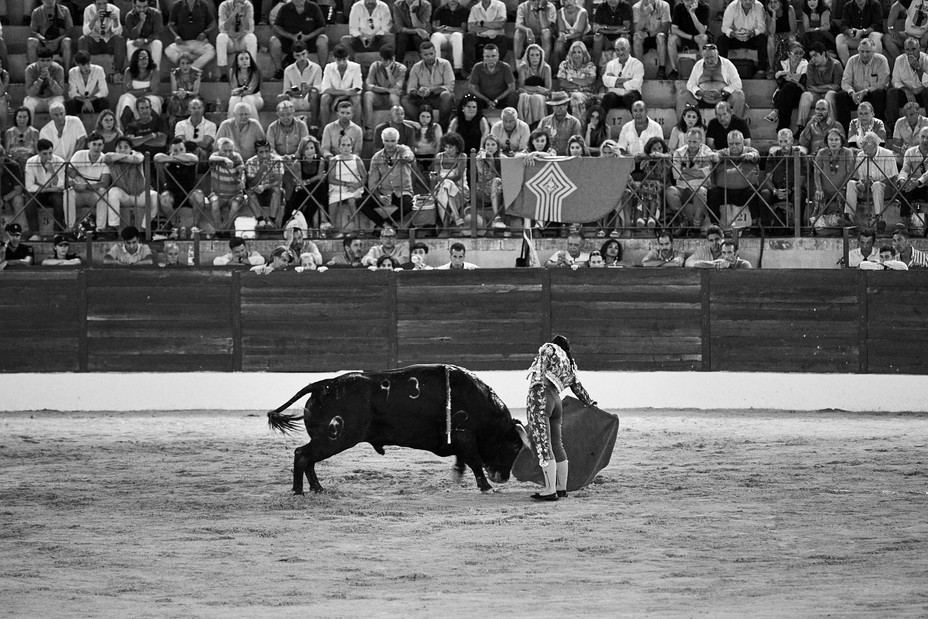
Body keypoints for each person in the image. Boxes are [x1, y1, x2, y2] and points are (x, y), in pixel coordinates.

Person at [524, 334, 596, 501]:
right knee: (557, 444)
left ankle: (550, 489)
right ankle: (561, 488)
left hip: (541, 397)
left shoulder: (550, 348)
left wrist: (538, 380)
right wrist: (589, 401)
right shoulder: (569, 364)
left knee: (543, 444)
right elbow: (578, 388)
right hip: (556, 402)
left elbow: (543, 356)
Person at [708, 130, 762, 229]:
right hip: (725, 192)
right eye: (731, 144)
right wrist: (714, 157)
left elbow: (756, 155)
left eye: (737, 143)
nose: (734, 146)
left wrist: (752, 156)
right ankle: (714, 225)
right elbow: (716, 155)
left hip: (745, 192)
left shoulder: (750, 150)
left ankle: (755, 224)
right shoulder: (723, 152)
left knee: (753, 192)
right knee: (712, 192)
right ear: (727, 143)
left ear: (743, 142)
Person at [104, 135, 159, 230]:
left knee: (154, 196)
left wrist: (119, 157)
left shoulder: (138, 154)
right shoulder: (110, 155)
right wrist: (126, 156)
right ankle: (113, 227)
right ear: (115, 148)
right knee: (113, 192)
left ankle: (144, 228)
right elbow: (106, 158)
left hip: (140, 194)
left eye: (126, 147)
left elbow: (137, 159)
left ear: (131, 149)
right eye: (119, 147)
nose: (122, 149)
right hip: (124, 195)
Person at [834, 37, 890, 129]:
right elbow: (845, 82)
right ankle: (844, 131)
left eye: (868, 52)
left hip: (872, 94)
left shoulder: (881, 60)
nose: (864, 54)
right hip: (856, 95)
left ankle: (878, 129)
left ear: (873, 51)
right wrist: (852, 93)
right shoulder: (852, 60)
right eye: (862, 51)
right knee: (840, 95)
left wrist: (865, 91)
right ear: (858, 51)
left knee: (879, 93)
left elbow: (883, 83)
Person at [667, 127, 716, 230]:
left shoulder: (707, 151)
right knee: (670, 191)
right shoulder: (678, 152)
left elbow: (706, 173)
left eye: (695, 142)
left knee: (701, 191)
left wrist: (685, 170)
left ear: (701, 141)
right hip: (682, 188)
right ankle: (682, 221)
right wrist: (697, 173)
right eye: (689, 141)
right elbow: (676, 175)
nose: (692, 145)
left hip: (699, 188)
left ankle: (697, 222)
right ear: (686, 140)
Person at [679, 43, 746, 118]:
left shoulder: (727, 64)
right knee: (683, 95)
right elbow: (690, 84)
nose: (709, 61)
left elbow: (738, 84)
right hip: (702, 99)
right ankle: (681, 128)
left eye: (712, 57)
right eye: (706, 58)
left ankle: (736, 126)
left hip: (723, 99)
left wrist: (722, 93)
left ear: (717, 54)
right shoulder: (698, 65)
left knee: (739, 94)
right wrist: (700, 92)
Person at [846, 131, 899, 222]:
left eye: (866, 144)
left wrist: (873, 183)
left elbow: (892, 178)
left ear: (874, 145)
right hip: (867, 188)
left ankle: (879, 219)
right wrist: (861, 183)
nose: (862, 146)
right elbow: (859, 177)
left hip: (885, 188)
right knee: (851, 184)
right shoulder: (860, 155)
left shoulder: (887, 154)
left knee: (877, 185)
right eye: (862, 143)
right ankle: (849, 218)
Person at [369, 127, 416, 228]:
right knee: (360, 202)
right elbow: (372, 183)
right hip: (385, 192)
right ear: (382, 141)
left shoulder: (403, 149)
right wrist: (379, 197)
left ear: (397, 141)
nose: (390, 144)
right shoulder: (376, 157)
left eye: (392, 141)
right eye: (387, 141)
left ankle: (385, 223)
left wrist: (406, 157)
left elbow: (410, 155)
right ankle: (385, 224)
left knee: (409, 204)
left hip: (402, 191)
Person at [270, 0, 329, 79]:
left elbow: (322, 27)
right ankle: (279, 71)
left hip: (310, 39)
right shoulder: (284, 8)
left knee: (323, 39)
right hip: (290, 40)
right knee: (274, 41)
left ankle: (322, 70)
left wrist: (308, 36)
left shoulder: (314, 7)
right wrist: (291, 36)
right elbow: (276, 27)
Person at [404, 41, 455, 129]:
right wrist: (418, 92)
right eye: (426, 55)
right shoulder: (416, 67)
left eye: (431, 53)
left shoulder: (445, 64)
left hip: (438, 98)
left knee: (446, 95)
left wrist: (431, 90)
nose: (429, 57)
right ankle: (420, 125)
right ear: (421, 55)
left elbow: (450, 86)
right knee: (405, 99)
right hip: (422, 98)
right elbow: (410, 89)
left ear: (435, 52)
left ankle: (442, 127)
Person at [363, 46, 407, 140]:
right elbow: (368, 86)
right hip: (378, 96)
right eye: (384, 60)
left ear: (394, 57)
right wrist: (386, 89)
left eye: (390, 60)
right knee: (368, 95)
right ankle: (369, 128)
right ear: (381, 58)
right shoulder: (375, 65)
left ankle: (397, 127)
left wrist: (389, 71)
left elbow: (396, 88)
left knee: (393, 95)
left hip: (392, 97)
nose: (387, 63)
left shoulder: (401, 68)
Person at [206, 136, 247, 236]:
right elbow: (211, 158)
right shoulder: (216, 156)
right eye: (225, 151)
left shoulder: (236, 156)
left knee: (235, 204)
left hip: (234, 194)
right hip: (217, 194)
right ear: (219, 149)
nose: (228, 153)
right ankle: (218, 230)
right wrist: (224, 159)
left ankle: (226, 231)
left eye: (230, 150)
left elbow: (242, 172)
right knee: (214, 203)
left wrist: (242, 181)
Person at [812, 128, 855, 222]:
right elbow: (817, 172)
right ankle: (814, 225)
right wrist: (819, 188)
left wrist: (842, 188)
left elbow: (850, 173)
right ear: (827, 141)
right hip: (824, 189)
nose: (833, 142)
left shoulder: (847, 152)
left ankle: (845, 225)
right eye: (831, 140)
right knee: (818, 196)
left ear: (841, 141)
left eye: (836, 140)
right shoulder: (821, 152)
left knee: (843, 196)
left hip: (842, 189)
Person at [797, 42, 842, 132]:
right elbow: (809, 86)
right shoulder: (811, 65)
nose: (813, 59)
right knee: (806, 95)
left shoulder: (836, 65)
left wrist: (818, 88)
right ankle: (801, 127)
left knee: (830, 94)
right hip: (816, 95)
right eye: (811, 56)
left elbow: (837, 86)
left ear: (823, 54)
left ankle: (832, 127)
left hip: (830, 96)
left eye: (815, 56)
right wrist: (828, 86)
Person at [24, 138, 66, 231]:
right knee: (29, 199)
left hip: (52, 194)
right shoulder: (31, 162)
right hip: (38, 193)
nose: (48, 157)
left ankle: (57, 232)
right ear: (38, 153)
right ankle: (34, 233)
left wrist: (52, 171)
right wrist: (49, 189)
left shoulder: (59, 161)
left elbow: (61, 186)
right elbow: (29, 186)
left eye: (50, 153)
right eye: (45, 154)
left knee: (59, 200)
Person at [718, 0, 769, 78]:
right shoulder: (732, 6)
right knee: (722, 39)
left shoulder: (759, 6)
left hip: (752, 37)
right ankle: (722, 69)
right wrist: (734, 34)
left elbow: (762, 27)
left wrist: (751, 33)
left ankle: (761, 70)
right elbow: (724, 27)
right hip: (736, 37)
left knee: (762, 38)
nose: (748, 2)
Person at [886, 37, 928, 131]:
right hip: (906, 94)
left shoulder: (926, 60)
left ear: (919, 48)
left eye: (913, 49)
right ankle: (892, 128)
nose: (910, 52)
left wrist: (917, 67)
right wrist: (906, 90)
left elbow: (927, 82)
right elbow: (895, 81)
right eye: (907, 50)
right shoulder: (899, 60)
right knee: (891, 92)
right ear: (904, 49)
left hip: (921, 93)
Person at [285, 135, 327, 227]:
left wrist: (310, 181)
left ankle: (310, 218)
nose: (309, 151)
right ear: (302, 151)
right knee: (314, 188)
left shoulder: (320, 161)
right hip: (302, 191)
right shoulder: (298, 163)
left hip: (316, 191)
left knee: (318, 188)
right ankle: (309, 220)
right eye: (306, 149)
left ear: (315, 149)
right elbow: (300, 183)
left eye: (311, 148)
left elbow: (321, 181)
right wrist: (315, 178)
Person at [79, 0, 126, 82]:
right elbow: (85, 32)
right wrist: (93, 20)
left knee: (120, 39)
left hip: (109, 42)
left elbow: (118, 32)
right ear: (94, 3)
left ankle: (117, 72)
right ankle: (84, 70)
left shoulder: (115, 10)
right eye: (99, 4)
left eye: (104, 4)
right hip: (94, 42)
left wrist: (115, 21)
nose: (102, 7)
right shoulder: (88, 10)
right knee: (82, 40)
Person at [765, 43, 808, 132]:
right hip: (786, 95)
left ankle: (777, 111)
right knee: (788, 89)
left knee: (788, 87)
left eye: (801, 53)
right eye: (795, 53)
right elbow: (779, 81)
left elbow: (803, 81)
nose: (798, 56)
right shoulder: (781, 63)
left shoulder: (806, 64)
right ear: (788, 54)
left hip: (799, 95)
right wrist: (794, 78)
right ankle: (783, 126)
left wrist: (786, 75)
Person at [328, 133, 366, 232]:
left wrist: (356, 185)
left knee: (352, 200)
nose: (346, 148)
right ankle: (333, 228)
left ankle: (357, 228)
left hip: (354, 187)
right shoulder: (334, 160)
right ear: (339, 147)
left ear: (352, 147)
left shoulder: (356, 159)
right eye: (343, 145)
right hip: (338, 186)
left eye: (348, 145)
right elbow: (331, 178)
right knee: (333, 202)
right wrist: (346, 184)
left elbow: (365, 176)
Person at [165, 0, 217, 72]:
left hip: (200, 43)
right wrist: (176, 36)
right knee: (168, 50)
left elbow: (212, 23)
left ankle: (191, 69)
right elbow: (170, 24)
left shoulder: (204, 5)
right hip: (183, 43)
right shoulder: (177, 5)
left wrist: (205, 33)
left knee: (211, 51)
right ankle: (186, 67)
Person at [116, 47, 161, 129]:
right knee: (125, 100)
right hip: (132, 97)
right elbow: (126, 90)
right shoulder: (129, 71)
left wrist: (138, 94)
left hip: (149, 96)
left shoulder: (154, 70)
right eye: (141, 58)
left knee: (152, 102)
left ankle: (152, 129)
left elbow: (154, 90)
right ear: (136, 60)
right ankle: (126, 130)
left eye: (146, 58)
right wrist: (144, 89)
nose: (144, 61)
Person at [430, 131, 468, 227]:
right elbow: (436, 175)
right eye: (446, 147)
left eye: (450, 147)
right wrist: (434, 178)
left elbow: (458, 176)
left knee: (447, 184)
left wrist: (442, 179)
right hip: (441, 188)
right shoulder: (439, 156)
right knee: (445, 189)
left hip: (460, 188)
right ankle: (456, 216)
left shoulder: (462, 157)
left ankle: (445, 226)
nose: (448, 150)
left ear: (457, 147)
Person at [318, 45, 362, 127]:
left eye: (344, 60)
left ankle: (357, 128)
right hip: (335, 95)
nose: (342, 63)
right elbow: (325, 89)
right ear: (333, 58)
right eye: (338, 60)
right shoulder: (328, 67)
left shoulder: (356, 67)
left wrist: (339, 97)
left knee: (356, 98)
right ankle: (324, 129)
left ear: (348, 57)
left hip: (349, 96)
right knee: (324, 98)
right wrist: (345, 92)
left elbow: (357, 89)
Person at [467, 44, 517, 112]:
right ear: (483, 57)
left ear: (498, 56)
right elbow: (471, 87)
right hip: (483, 99)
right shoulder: (477, 67)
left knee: (513, 96)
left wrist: (497, 100)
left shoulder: (505, 67)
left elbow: (512, 87)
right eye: (487, 56)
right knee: (470, 97)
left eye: (493, 56)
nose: (490, 59)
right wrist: (487, 100)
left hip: (502, 99)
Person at [557, 40, 597, 124]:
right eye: (574, 52)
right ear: (570, 54)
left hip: (586, 95)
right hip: (566, 94)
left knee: (576, 97)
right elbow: (562, 82)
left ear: (584, 54)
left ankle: (578, 128)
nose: (576, 55)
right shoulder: (564, 65)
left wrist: (571, 79)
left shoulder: (590, 66)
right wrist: (580, 85)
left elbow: (589, 81)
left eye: (579, 52)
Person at [27, 0, 73, 72]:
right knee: (31, 41)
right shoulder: (36, 12)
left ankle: (66, 73)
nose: (49, 1)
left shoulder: (64, 10)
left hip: (59, 42)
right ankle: (33, 73)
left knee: (67, 41)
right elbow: (33, 31)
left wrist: (57, 41)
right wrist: (44, 40)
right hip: (43, 43)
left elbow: (69, 29)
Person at [668, 0, 710, 79]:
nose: (689, 3)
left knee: (703, 38)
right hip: (685, 37)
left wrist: (692, 13)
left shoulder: (704, 7)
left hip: (699, 36)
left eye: (691, 0)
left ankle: (703, 70)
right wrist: (692, 38)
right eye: (686, 0)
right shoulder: (678, 7)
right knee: (671, 39)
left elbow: (702, 31)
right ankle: (675, 70)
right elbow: (674, 29)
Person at [601, 37, 643, 115]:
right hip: (616, 96)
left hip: (631, 95)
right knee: (608, 97)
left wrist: (614, 82)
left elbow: (636, 83)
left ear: (629, 49)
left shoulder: (637, 64)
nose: (620, 52)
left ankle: (639, 125)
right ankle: (599, 125)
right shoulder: (611, 64)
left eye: (623, 49)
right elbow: (605, 81)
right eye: (617, 50)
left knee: (629, 98)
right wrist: (627, 80)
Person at [216, 0, 258, 79]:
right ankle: (223, 74)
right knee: (221, 37)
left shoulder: (248, 5)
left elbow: (250, 29)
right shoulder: (224, 5)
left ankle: (251, 72)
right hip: (230, 41)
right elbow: (222, 28)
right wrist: (234, 13)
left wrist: (241, 15)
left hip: (242, 40)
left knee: (252, 38)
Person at [463, 0, 508, 72]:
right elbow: (470, 27)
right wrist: (493, 25)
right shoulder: (475, 8)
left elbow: (500, 24)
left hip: (496, 36)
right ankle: (470, 70)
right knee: (469, 36)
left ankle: (496, 68)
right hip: (479, 37)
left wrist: (481, 23)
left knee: (503, 39)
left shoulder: (500, 5)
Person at [835, 0, 884, 65]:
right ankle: (848, 67)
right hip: (857, 38)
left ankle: (875, 66)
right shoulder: (848, 6)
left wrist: (863, 31)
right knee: (840, 38)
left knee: (874, 35)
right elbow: (844, 26)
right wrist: (850, 32)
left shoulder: (875, 4)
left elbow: (877, 25)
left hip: (871, 36)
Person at [632, 0, 671, 79]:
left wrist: (648, 34)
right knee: (636, 38)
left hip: (658, 35)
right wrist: (645, 14)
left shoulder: (664, 5)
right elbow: (636, 29)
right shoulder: (636, 7)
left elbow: (665, 28)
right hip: (644, 37)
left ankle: (661, 70)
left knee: (661, 36)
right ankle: (638, 72)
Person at [897, 126, 928, 223]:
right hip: (913, 186)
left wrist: (918, 183)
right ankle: (904, 221)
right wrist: (902, 180)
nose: (925, 140)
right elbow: (905, 169)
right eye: (923, 137)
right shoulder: (910, 152)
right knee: (905, 190)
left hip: (925, 185)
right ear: (918, 137)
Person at [516, 44, 552, 127]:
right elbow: (521, 87)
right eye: (532, 55)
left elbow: (547, 89)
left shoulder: (546, 68)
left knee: (537, 98)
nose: (535, 58)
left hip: (541, 95)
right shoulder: (523, 67)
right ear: (528, 57)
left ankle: (539, 125)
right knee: (523, 97)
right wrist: (538, 88)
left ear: (541, 56)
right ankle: (525, 126)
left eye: (537, 55)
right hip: (527, 93)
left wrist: (531, 90)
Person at [23, 47, 66, 117]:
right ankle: (28, 127)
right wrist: (40, 79)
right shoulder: (30, 69)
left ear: (52, 60)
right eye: (42, 60)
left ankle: (58, 127)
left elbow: (59, 92)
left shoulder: (58, 69)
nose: (45, 63)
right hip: (36, 97)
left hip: (52, 97)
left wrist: (50, 79)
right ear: (38, 60)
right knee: (28, 105)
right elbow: (30, 93)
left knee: (59, 104)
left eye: (48, 60)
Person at [430, 0, 467, 77]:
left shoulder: (464, 10)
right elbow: (434, 27)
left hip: (455, 36)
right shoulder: (440, 9)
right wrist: (438, 28)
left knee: (457, 35)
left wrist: (451, 29)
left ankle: (458, 69)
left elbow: (463, 29)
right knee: (435, 36)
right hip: (443, 35)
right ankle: (436, 68)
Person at [591, 0, 633, 66]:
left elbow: (626, 27)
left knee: (625, 37)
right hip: (605, 39)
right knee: (597, 37)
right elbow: (595, 28)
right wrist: (615, 30)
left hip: (619, 37)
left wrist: (605, 27)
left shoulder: (626, 6)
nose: (612, 0)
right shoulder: (601, 7)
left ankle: (626, 69)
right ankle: (595, 69)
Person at [66, 51, 108, 117]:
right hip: (80, 101)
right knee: (70, 103)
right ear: (77, 64)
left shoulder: (99, 70)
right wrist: (84, 101)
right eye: (83, 65)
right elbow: (72, 93)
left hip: (94, 101)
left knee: (104, 101)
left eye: (88, 64)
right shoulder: (72, 72)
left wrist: (89, 100)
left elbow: (104, 91)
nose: (86, 67)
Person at [124, 0, 164, 66]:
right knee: (130, 44)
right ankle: (133, 70)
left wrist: (145, 41)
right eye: (139, 7)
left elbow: (158, 34)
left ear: (148, 5)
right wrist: (141, 22)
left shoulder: (156, 14)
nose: (142, 9)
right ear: (134, 5)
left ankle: (155, 71)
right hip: (136, 41)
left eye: (145, 7)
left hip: (149, 41)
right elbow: (132, 36)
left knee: (157, 43)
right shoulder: (129, 16)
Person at [166, 53, 202, 125]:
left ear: (191, 63)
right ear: (179, 64)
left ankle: (194, 122)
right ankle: (172, 123)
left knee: (195, 102)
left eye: (187, 63)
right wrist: (179, 93)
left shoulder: (196, 73)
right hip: (178, 95)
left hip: (191, 95)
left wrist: (186, 93)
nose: (185, 66)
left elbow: (196, 91)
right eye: (182, 63)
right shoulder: (174, 73)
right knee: (172, 100)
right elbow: (173, 90)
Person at [227, 51, 264, 120]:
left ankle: (255, 126)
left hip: (255, 97)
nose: (244, 61)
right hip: (239, 97)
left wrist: (239, 91)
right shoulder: (233, 71)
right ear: (237, 62)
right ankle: (231, 126)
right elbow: (234, 89)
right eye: (241, 59)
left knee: (247, 99)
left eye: (247, 58)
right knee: (233, 99)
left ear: (250, 61)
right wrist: (238, 92)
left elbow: (250, 90)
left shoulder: (255, 71)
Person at [554, 0, 590, 69]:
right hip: (567, 36)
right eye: (566, 0)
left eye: (570, 0)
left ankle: (577, 68)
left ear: (575, 1)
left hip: (583, 36)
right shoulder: (560, 12)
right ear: (563, 2)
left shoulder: (582, 12)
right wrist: (562, 36)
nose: (568, 2)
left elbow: (580, 32)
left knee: (576, 42)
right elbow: (561, 29)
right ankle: (562, 68)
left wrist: (566, 37)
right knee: (558, 44)